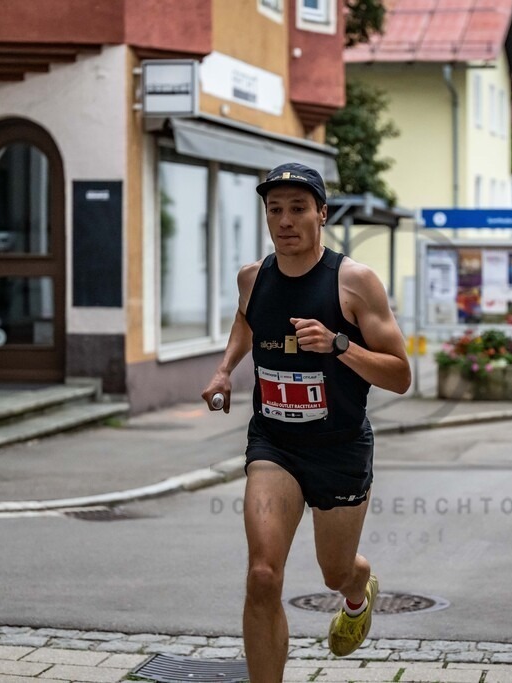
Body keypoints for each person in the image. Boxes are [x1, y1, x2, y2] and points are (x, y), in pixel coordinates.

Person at [201, 162, 411, 683]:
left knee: (334, 570)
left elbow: (401, 375)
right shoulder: (253, 277)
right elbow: (245, 320)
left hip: (339, 447)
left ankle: (358, 583)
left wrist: (339, 345)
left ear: (321, 213)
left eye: (298, 208)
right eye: (275, 210)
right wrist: (225, 369)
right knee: (263, 574)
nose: (286, 220)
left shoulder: (355, 283)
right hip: (275, 443)